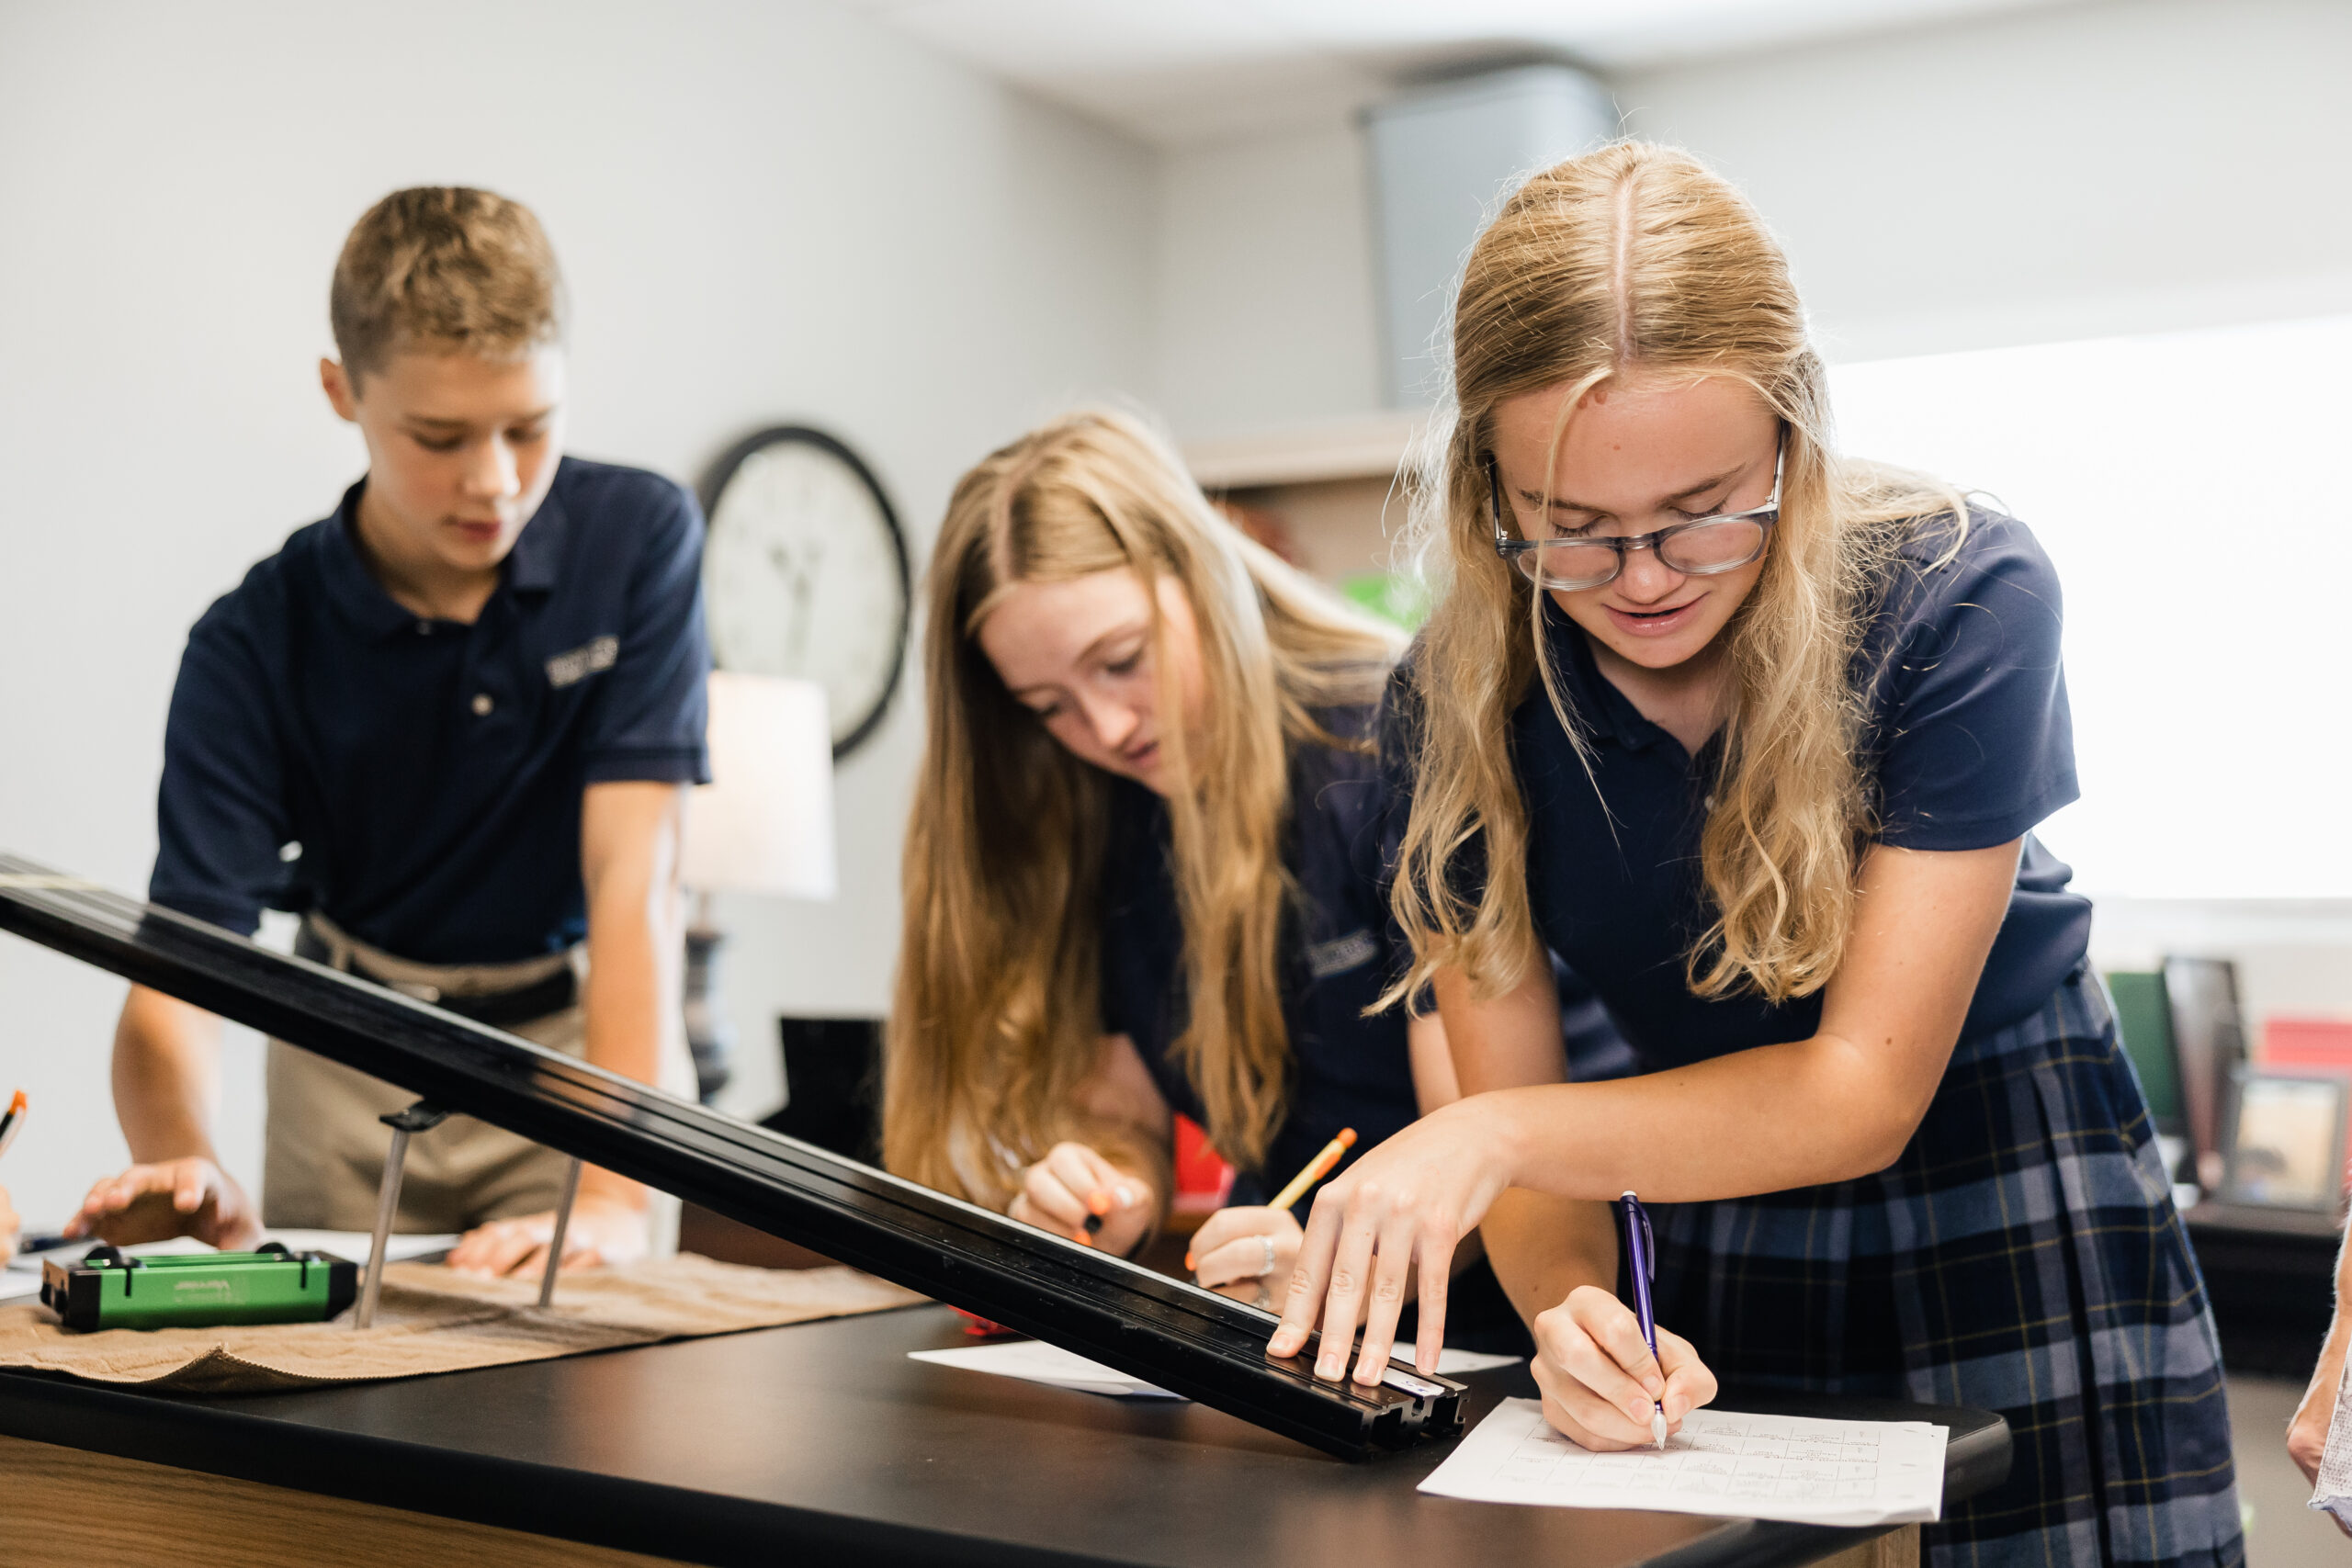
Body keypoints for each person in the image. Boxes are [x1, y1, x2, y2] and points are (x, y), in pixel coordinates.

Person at [1266, 144, 2242, 1566]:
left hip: (1999, 1165)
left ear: (1794, 433)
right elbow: (1526, 1120)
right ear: (1489, 486)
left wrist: (1488, 1134)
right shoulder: (1457, 695)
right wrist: (1568, 1313)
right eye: (1575, 530)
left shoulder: (1959, 592)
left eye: (1703, 509)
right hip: (1692, 1181)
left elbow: (1858, 1090)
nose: (1647, 578)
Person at [65, 187, 707, 1277]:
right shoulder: (252, 641)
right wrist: (183, 1162)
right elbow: (184, 962)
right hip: (347, 1058)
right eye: (440, 436)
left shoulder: (641, 539)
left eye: (530, 426)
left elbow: (636, 884)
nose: (495, 481)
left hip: (578, 1053)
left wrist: (609, 1197)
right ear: (340, 392)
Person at [882, 410, 1553, 1339]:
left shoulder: (1385, 745)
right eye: (1049, 706)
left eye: (1120, 662)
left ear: (1199, 577)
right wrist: (1104, 1186)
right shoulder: (1103, 806)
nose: (1106, 729)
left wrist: (1326, 1262)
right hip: (1286, 1315)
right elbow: (1120, 1104)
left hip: (1508, 1306)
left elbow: (1480, 1148)